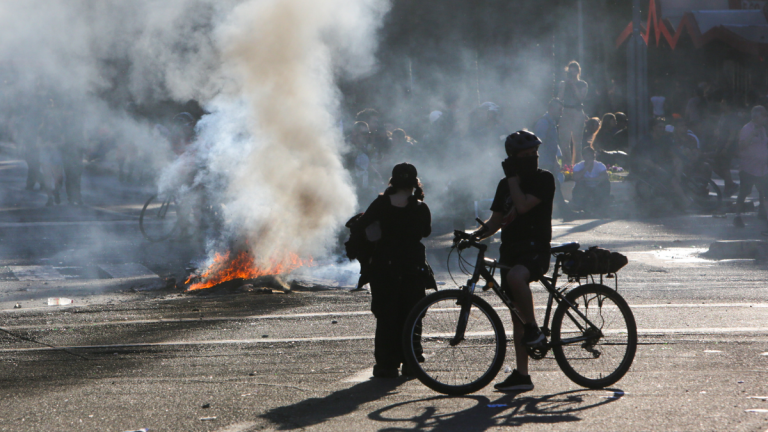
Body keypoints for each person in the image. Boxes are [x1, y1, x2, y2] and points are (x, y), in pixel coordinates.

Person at [472, 131, 555, 392]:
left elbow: (522, 206)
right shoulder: (503, 185)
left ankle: (534, 329)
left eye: (534, 153)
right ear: (513, 158)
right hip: (511, 250)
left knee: (516, 277)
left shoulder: (544, 179)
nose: (532, 158)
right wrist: (473, 235)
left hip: (535, 249)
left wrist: (511, 179)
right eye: (526, 155)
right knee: (516, 316)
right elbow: (496, 221)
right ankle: (522, 375)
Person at [353, 163, 435, 378]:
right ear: (415, 183)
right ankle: (411, 361)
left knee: (386, 315)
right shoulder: (420, 207)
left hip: (384, 266)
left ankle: (386, 365)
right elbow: (426, 232)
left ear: (393, 182)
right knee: (413, 314)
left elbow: (361, 226)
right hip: (412, 266)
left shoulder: (380, 203)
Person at [733, 106, 768, 228]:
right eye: (764, 116)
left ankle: (764, 214)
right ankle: (737, 216)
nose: (766, 118)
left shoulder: (763, 129)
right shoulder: (747, 128)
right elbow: (742, 146)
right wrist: (752, 135)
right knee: (744, 192)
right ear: (757, 117)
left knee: (765, 192)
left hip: (762, 169)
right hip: (748, 168)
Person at [557, 61, 588, 166]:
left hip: (577, 112)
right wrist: (564, 86)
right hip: (565, 112)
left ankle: (577, 166)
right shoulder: (563, 83)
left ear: (578, 72)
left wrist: (573, 85)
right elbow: (560, 98)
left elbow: (581, 98)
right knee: (564, 141)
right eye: (570, 72)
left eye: (574, 71)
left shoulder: (583, 84)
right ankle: (566, 166)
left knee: (577, 142)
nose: (572, 74)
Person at [709, 98, 741, 197]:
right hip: (720, 143)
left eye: (723, 104)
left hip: (728, 145)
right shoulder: (723, 115)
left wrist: (726, 147)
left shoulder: (732, 117)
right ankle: (731, 184)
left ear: (728, 106)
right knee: (715, 165)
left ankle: (728, 189)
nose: (721, 105)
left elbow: (733, 134)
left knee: (724, 166)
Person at [572, 147, 611, 213]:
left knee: (606, 183)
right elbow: (576, 178)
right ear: (583, 157)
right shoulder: (578, 166)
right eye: (587, 156)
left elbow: (605, 177)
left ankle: (602, 205)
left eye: (591, 156)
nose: (589, 158)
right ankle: (580, 205)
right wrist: (586, 167)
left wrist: (590, 179)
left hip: (597, 188)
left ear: (594, 156)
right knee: (580, 183)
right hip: (585, 189)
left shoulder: (600, 165)